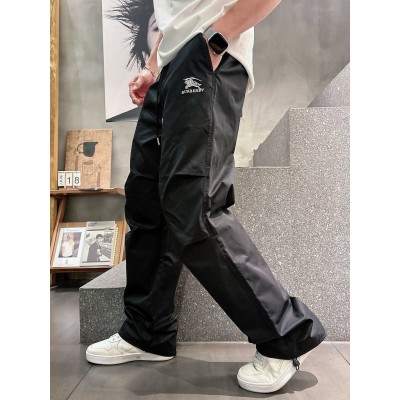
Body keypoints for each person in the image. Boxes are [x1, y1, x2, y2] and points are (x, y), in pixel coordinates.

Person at [86, 0, 327, 393]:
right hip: (169, 70)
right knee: (148, 204)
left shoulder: (213, 45)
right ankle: (148, 332)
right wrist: (152, 67)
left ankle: (285, 335)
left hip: (208, 55)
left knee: (195, 208)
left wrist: (217, 38)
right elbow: (173, 13)